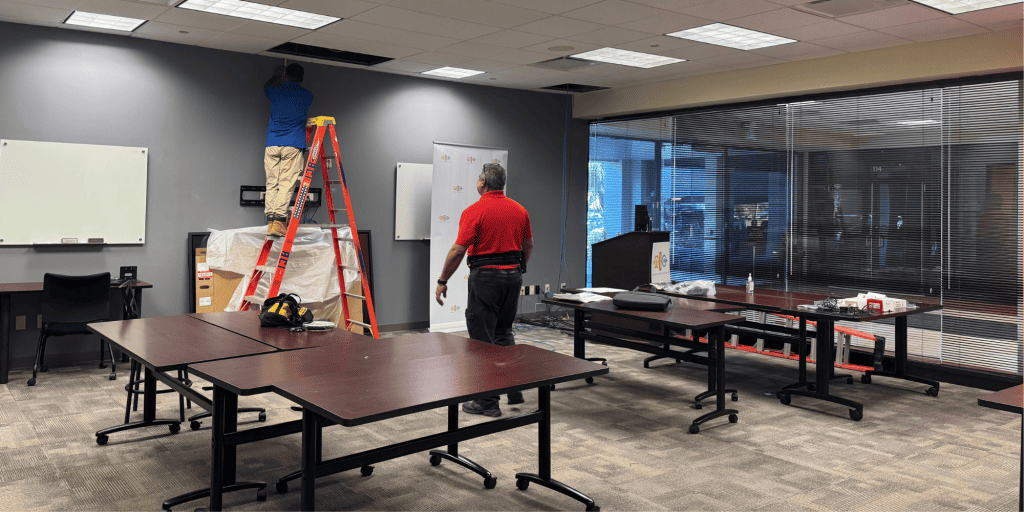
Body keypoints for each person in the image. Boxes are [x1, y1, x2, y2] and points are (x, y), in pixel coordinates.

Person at [435, 163, 534, 417]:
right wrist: (517, 269)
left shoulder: (475, 210)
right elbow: (528, 244)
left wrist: (442, 279)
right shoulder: (520, 210)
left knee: (481, 340)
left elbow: (458, 250)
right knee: (503, 331)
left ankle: (488, 402)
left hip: (486, 278)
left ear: (483, 183)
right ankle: (513, 388)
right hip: (513, 277)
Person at [263, 63, 313, 237]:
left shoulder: (275, 91)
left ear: (285, 74)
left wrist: (276, 76)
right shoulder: (307, 95)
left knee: (272, 182)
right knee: (286, 182)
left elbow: (266, 88)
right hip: (292, 143)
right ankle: (278, 221)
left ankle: (270, 220)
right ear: (301, 78)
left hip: (272, 143)